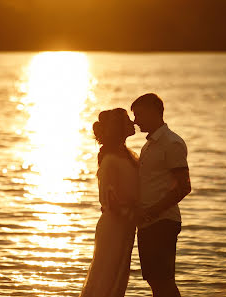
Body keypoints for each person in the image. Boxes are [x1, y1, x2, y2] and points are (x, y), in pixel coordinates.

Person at [131, 93, 191, 297]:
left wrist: (152, 212)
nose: (135, 120)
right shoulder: (148, 145)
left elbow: (184, 187)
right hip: (148, 223)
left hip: (162, 222)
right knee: (154, 281)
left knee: (163, 281)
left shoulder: (171, 143)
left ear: (153, 112)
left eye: (138, 115)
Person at [79, 108, 139, 297]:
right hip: (114, 224)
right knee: (106, 275)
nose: (133, 123)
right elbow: (109, 199)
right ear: (119, 128)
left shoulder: (128, 155)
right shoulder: (110, 159)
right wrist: (133, 215)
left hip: (125, 225)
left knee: (119, 276)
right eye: (127, 121)